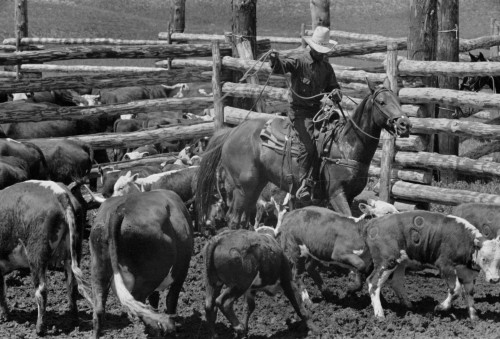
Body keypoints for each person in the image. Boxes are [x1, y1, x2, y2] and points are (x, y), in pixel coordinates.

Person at [269, 26, 343, 202]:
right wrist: (274, 60)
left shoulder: (326, 67)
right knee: (308, 147)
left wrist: (335, 93)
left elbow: (334, 88)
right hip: (299, 112)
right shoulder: (299, 60)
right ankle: (304, 183)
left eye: (323, 51)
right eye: (319, 50)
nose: (321, 54)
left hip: (318, 111)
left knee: (333, 139)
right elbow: (282, 67)